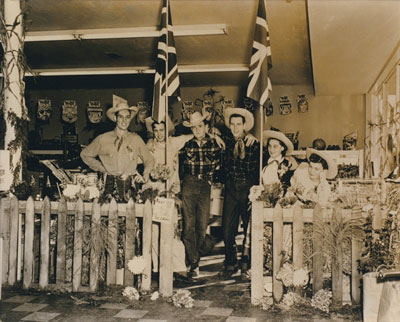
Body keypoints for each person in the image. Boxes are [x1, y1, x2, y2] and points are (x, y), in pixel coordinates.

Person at [80, 102, 155, 202]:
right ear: (115, 118)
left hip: (131, 186)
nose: (124, 121)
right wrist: (102, 169)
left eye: (127, 117)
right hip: (109, 185)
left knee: (130, 215)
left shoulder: (136, 139)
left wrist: (145, 176)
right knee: (109, 215)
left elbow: (149, 159)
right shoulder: (103, 138)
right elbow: (85, 154)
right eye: (121, 117)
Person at [180, 111, 223, 278]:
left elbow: (221, 162)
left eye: (200, 126)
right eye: (194, 127)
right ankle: (193, 262)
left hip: (205, 185)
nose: (197, 130)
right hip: (188, 184)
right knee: (188, 225)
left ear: (206, 127)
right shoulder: (186, 144)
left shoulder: (215, 144)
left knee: (202, 224)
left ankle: (194, 255)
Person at [219, 107, 260, 279]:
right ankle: (231, 262)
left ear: (245, 126)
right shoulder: (225, 142)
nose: (236, 128)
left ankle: (247, 264)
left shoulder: (253, 144)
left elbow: (259, 169)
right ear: (229, 125)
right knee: (227, 230)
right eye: (233, 124)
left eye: (239, 124)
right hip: (230, 189)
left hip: (248, 189)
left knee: (249, 230)